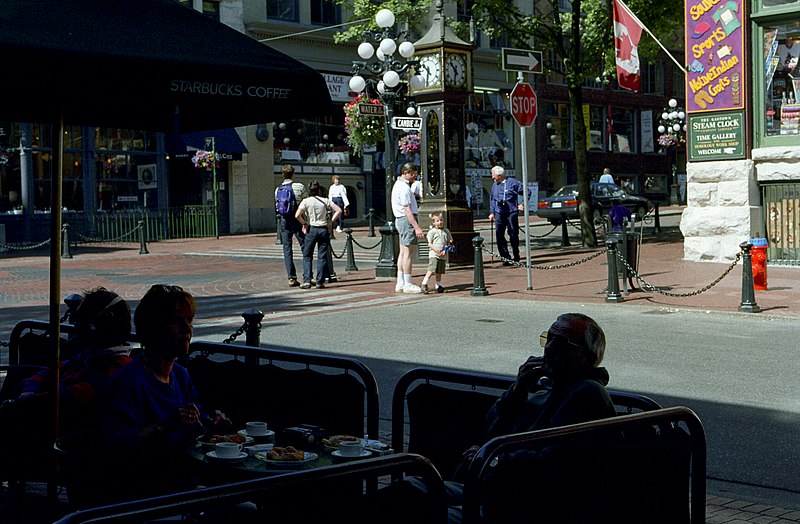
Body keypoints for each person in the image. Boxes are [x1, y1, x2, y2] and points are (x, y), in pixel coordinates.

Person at [98, 284, 231, 502]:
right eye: (177, 322)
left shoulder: (180, 375)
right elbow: (115, 445)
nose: (187, 329)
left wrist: (212, 421)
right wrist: (164, 426)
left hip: (185, 485)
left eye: (189, 320)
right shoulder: (129, 382)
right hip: (148, 496)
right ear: (153, 329)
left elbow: (196, 418)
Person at [0, 288, 133, 478]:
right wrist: (28, 391)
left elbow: (66, 399)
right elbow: (49, 371)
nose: (76, 327)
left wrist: (25, 401)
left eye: (82, 321)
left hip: (54, 438)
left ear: (97, 326)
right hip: (39, 419)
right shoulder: (89, 355)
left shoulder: (116, 371)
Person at [295, 180, 342, 289]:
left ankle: (307, 280)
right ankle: (319, 281)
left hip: (311, 229)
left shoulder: (305, 201)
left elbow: (297, 215)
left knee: (307, 256)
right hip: (323, 229)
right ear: (319, 189)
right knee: (322, 256)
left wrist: (304, 223)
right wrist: (330, 221)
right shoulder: (325, 200)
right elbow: (338, 210)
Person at [393, 163, 426, 294]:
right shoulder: (404, 188)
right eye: (413, 174)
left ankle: (400, 282)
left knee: (402, 252)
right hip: (406, 220)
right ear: (406, 173)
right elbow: (407, 209)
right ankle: (407, 283)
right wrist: (416, 227)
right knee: (408, 254)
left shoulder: (398, 185)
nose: (414, 177)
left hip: (400, 219)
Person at [276, 164, 308, 287]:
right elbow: (306, 202)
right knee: (304, 245)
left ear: (282, 175)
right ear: (293, 174)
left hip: (284, 220)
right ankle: (307, 275)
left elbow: (277, 207)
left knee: (287, 249)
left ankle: (291, 277)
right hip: (298, 218)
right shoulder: (299, 187)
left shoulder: (278, 189)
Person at [488, 165, 524, 265]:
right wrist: (492, 212)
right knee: (499, 235)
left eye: (493, 175)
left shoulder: (513, 183)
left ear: (500, 175)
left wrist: (522, 204)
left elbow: (526, 191)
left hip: (511, 212)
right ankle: (505, 257)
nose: (492, 177)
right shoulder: (495, 185)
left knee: (513, 234)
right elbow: (492, 199)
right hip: (499, 213)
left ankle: (516, 255)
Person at [421, 212, 452, 294]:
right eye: (437, 221)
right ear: (433, 222)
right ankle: (424, 284)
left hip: (442, 255)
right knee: (432, 269)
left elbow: (450, 242)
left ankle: (438, 286)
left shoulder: (446, 231)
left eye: (441, 220)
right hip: (434, 254)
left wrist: (445, 250)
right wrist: (436, 250)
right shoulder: (432, 232)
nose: (440, 222)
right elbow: (429, 244)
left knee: (439, 271)